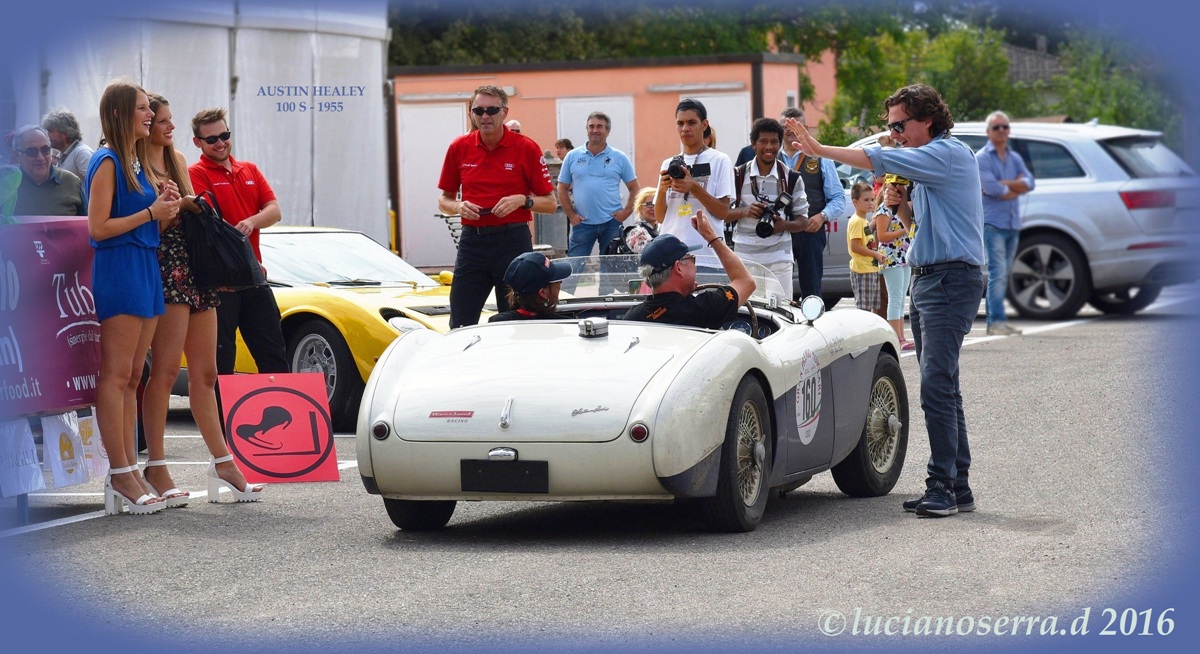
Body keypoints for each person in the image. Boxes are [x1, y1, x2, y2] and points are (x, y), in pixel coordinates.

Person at [786, 83, 984, 518]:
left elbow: (876, 156)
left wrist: (818, 146)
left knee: (936, 385)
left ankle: (943, 487)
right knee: (943, 385)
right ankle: (957, 485)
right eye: (890, 125)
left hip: (950, 278)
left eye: (900, 125)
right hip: (934, 277)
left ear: (927, 119)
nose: (894, 133)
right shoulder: (933, 162)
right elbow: (919, 222)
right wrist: (900, 205)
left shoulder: (945, 153)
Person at [141, 93, 262, 506]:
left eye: (170, 120)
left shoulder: (174, 159)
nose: (168, 126)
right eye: (162, 120)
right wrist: (172, 208)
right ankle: (156, 465)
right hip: (164, 267)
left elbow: (189, 214)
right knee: (165, 372)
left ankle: (222, 460)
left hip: (194, 267)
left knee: (206, 374)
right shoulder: (134, 164)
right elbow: (145, 224)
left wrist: (186, 205)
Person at [86, 79, 180, 515]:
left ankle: (131, 470)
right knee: (117, 374)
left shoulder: (137, 163)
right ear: (122, 113)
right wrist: (150, 211)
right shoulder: (106, 160)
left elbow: (147, 226)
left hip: (144, 266)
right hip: (120, 269)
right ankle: (121, 472)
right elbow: (97, 228)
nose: (150, 115)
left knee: (133, 378)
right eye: (143, 108)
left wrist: (165, 208)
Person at [437, 85, 556, 327]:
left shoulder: (526, 147)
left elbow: (551, 204)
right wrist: (459, 206)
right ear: (471, 113)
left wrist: (523, 200)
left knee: (514, 320)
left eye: (491, 110)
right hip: (473, 243)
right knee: (460, 321)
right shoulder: (459, 147)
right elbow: (444, 200)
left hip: (512, 242)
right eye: (478, 110)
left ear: (504, 112)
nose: (485, 116)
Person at [188, 107, 289, 376]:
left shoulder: (249, 169)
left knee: (274, 352)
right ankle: (221, 418)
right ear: (198, 142)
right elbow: (209, 222)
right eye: (212, 139)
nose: (220, 143)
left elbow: (275, 210)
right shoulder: (196, 173)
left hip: (255, 277)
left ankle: (282, 409)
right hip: (221, 283)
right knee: (222, 359)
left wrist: (252, 221)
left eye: (224, 135)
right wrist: (249, 222)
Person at [724, 117, 809, 303]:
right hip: (744, 258)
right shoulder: (737, 175)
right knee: (746, 312)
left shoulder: (791, 178)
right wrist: (745, 211)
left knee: (780, 310)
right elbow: (723, 214)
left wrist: (783, 225)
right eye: (763, 141)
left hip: (779, 257)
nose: (768, 147)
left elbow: (804, 222)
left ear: (780, 144)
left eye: (774, 142)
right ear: (753, 144)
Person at [624, 212, 756, 328]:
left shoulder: (631, 318)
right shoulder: (704, 309)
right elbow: (746, 281)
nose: (695, 266)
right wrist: (712, 237)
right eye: (691, 259)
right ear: (678, 268)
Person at [780, 107, 847, 299]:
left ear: (806, 128)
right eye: (786, 125)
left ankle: (813, 324)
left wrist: (822, 216)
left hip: (810, 231)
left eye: (796, 125)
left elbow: (838, 198)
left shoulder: (820, 157)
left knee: (811, 288)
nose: (790, 129)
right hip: (779, 232)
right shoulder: (770, 158)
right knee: (776, 289)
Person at [977, 110, 1034, 336]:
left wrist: (1007, 186)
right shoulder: (982, 157)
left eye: (1005, 127)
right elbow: (993, 189)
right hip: (994, 223)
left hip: (1012, 223)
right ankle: (995, 322)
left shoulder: (1014, 157)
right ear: (988, 132)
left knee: (1004, 273)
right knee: (997, 272)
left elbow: (1029, 183)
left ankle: (998, 320)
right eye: (996, 127)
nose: (1001, 131)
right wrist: (1013, 187)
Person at [654, 98, 735, 251]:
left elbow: (722, 212)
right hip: (673, 254)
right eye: (680, 123)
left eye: (691, 123)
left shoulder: (720, 160)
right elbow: (659, 217)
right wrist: (663, 190)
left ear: (704, 125)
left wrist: (693, 187)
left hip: (707, 253)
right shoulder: (669, 164)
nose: (685, 128)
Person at [557, 112, 639, 259]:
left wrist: (626, 212)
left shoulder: (619, 157)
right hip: (582, 223)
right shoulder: (572, 156)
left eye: (599, 126)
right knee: (574, 267)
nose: (595, 130)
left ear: (607, 131)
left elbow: (634, 188)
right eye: (591, 126)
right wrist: (571, 215)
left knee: (611, 268)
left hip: (611, 223)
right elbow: (562, 187)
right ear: (587, 129)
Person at [873, 175, 915, 350]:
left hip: (902, 256)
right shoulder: (884, 211)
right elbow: (882, 236)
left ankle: (901, 336)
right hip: (891, 258)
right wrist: (904, 231)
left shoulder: (901, 208)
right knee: (895, 298)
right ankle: (895, 337)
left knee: (900, 298)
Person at [10, 125, 85, 216]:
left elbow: (88, 224)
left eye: (45, 150)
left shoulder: (71, 182)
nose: (40, 157)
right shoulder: (6, 183)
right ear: (17, 155)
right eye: (32, 152)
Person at [488, 252, 573, 322]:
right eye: (558, 281)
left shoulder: (496, 323)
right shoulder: (564, 325)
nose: (560, 284)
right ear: (543, 292)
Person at [846, 181, 884, 312]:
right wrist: (876, 254)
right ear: (855, 202)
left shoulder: (863, 221)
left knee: (872, 309)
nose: (870, 203)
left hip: (870, 269)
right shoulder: (856, 221)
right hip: (862, 270)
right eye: (866, 200)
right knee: (864, 310)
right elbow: (855, 246)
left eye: (873, 199)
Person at [41, 107, 95, 182]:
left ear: (65, 132)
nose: (48, 135)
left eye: (51, 131)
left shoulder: (81, 153)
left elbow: (97, 183)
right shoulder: (63, 155)